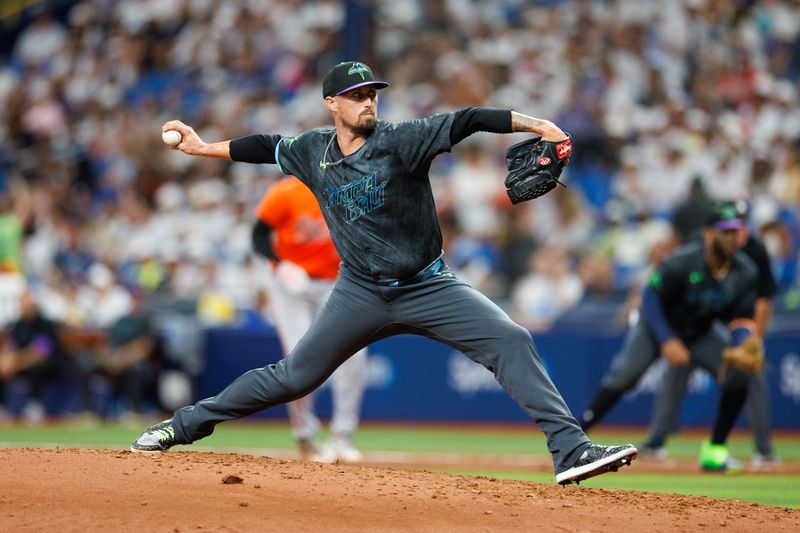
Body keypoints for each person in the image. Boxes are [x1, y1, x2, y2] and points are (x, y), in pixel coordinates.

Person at [131, 60, 637, 485]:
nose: (368, 102)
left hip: (429, 285)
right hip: (360, 292)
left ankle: (571, 452)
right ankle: (180, 427)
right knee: (293, 377)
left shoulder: (402, 140)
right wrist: (201, 148)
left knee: (511, 339)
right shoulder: (313, 150)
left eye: (372, 94)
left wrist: (539, 126)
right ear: (333, 103)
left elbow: (470, 119)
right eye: (357, 96)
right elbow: (265, 146)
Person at [579, 201, 759, 471]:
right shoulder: (683, 261)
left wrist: (743, 341)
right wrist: (668, 340)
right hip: (656, 326)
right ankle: (575, 436)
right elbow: (650, 299)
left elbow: (743, 317)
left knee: (739, 370)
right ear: (709, 234)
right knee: (625, 375)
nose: (733, 237)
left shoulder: (745, 271)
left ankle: (715, 450)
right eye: (726, 231)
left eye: (737, 231)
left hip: (700, 331)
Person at [641, 200, 778, 466]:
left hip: (722, 324)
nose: (734, 233)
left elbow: (763, 300)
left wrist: (751, 340)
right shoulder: (702, 241)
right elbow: (675, 271)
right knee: (676, 374)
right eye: (728, 226)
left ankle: (763, 447)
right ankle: (656, 441)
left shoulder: (755, 252)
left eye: (739, 225)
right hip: (690, 322)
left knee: (750, 372)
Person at [252, 176, 366, 463]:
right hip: (291, 282)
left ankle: (343, 434)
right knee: (300, 355)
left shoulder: (350, 187)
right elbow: (258, 233)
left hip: (336, 280)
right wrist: (279, 264)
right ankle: (304, 435)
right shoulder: (286, 192)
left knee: (355, 352)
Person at [0, 290, 69, 423]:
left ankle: (35, 405)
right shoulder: (18, 325)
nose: (23, 308)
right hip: (20, 364)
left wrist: (15, 364)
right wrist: (5, 361)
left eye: (26, 304)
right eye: (21, 304)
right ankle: (3, 406)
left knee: (36, 368)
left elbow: (40, 352)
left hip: (50, 365)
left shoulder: (44, 324)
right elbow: (10, 346)